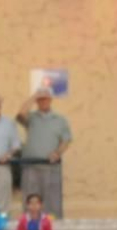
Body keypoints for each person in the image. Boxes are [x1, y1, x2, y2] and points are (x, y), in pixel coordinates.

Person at [16, 85, 71, 218]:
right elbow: (20, 114)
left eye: (46, 98)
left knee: (52, 202)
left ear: (50, 100)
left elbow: (66, 140)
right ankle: (29, 229)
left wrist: (57, 153)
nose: (43, 101)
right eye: (40, 99)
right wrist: (34, 96)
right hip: (31, 166)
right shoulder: (31, 117)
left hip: (50, 167)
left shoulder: (60, 119)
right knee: (30, 200)